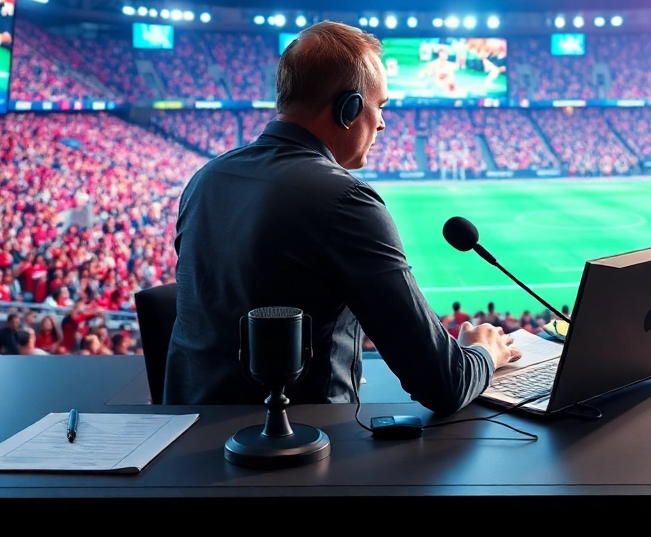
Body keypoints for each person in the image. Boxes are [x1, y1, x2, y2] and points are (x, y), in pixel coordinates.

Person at [165, 21, 518, 412]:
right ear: (349, 109)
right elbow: (444, 383)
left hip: (189, 438)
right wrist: (484, 352)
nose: (382, 123)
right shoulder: (344, 199)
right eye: (379, 106)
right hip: (297, 450)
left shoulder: (206, 178)